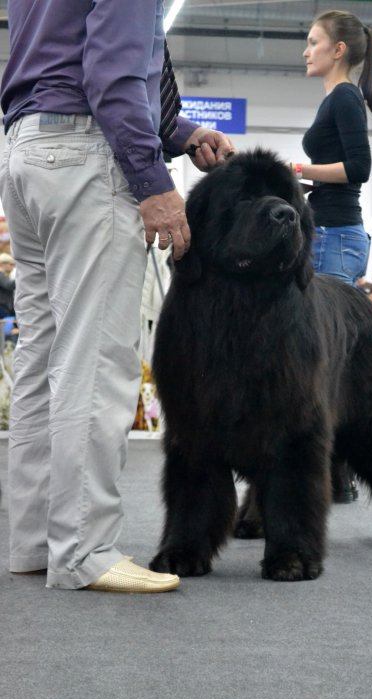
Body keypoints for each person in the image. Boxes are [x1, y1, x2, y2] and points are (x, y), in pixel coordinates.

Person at [0, 0, 234, 593]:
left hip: (27, 150)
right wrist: (152, 180)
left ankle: (35, 542)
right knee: (96, 359)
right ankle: (83, 549)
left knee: (41, 359)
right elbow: (110, 74)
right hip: (86, 155)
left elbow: (62, 61)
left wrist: (180, 132)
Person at [290, 10, 372, 285]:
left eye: (313, 43)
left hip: (335, 233)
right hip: (330, 230)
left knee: (325, 326)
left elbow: (359, 168)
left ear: (338, 49)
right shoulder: (337, 98)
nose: (306, 52)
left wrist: (296, 169)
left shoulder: (344, 96)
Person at [0, 252, 16, 318]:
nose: (13, 266)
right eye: (11, 264)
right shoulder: (1, 275)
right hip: (3, 308)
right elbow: (9, 285)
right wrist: (21, 279)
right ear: (2, 264)